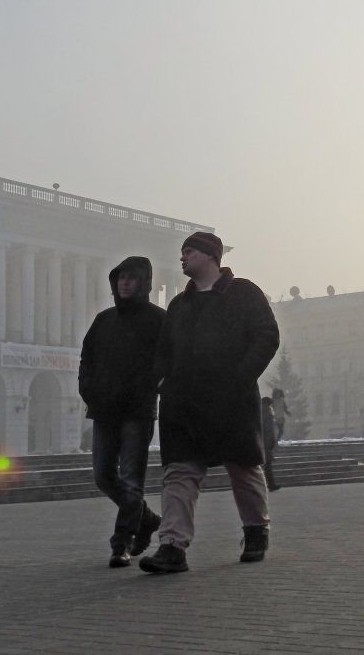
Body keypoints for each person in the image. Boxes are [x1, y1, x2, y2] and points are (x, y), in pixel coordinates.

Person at [140, 233, 280, 575]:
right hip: (183, 404)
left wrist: (240, 378)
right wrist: (163, 383)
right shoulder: (179, 305)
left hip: (230, 399)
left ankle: (256, 531)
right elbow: (162, 351)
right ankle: (172, 546)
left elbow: (267, 336)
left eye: (189, 252)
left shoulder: (244, 292)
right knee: (179, 473)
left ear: (209, 255)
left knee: (243, 467)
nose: (183, 258)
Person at [78, 256, 166, 568]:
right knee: (102, 475)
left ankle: (122, 542)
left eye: (132, 278)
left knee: (131, 480)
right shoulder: (104, 320)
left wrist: (148, 386)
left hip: (137, 411)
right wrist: (87, 388)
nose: (125, 283)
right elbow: (86, 357)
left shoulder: (158, 319)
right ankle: (149, 518)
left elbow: (165, 360)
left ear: (144, 283)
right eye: (121, 278)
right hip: (104, 409)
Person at [261, 396, 281, 492]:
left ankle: (270, 484)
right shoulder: (267, 413)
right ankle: (270, 484)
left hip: (264, 441)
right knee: (267, 464)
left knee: (266, 464)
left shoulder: (261, 413)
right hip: (267, 442)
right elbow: (270, 430)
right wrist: (273, 441)